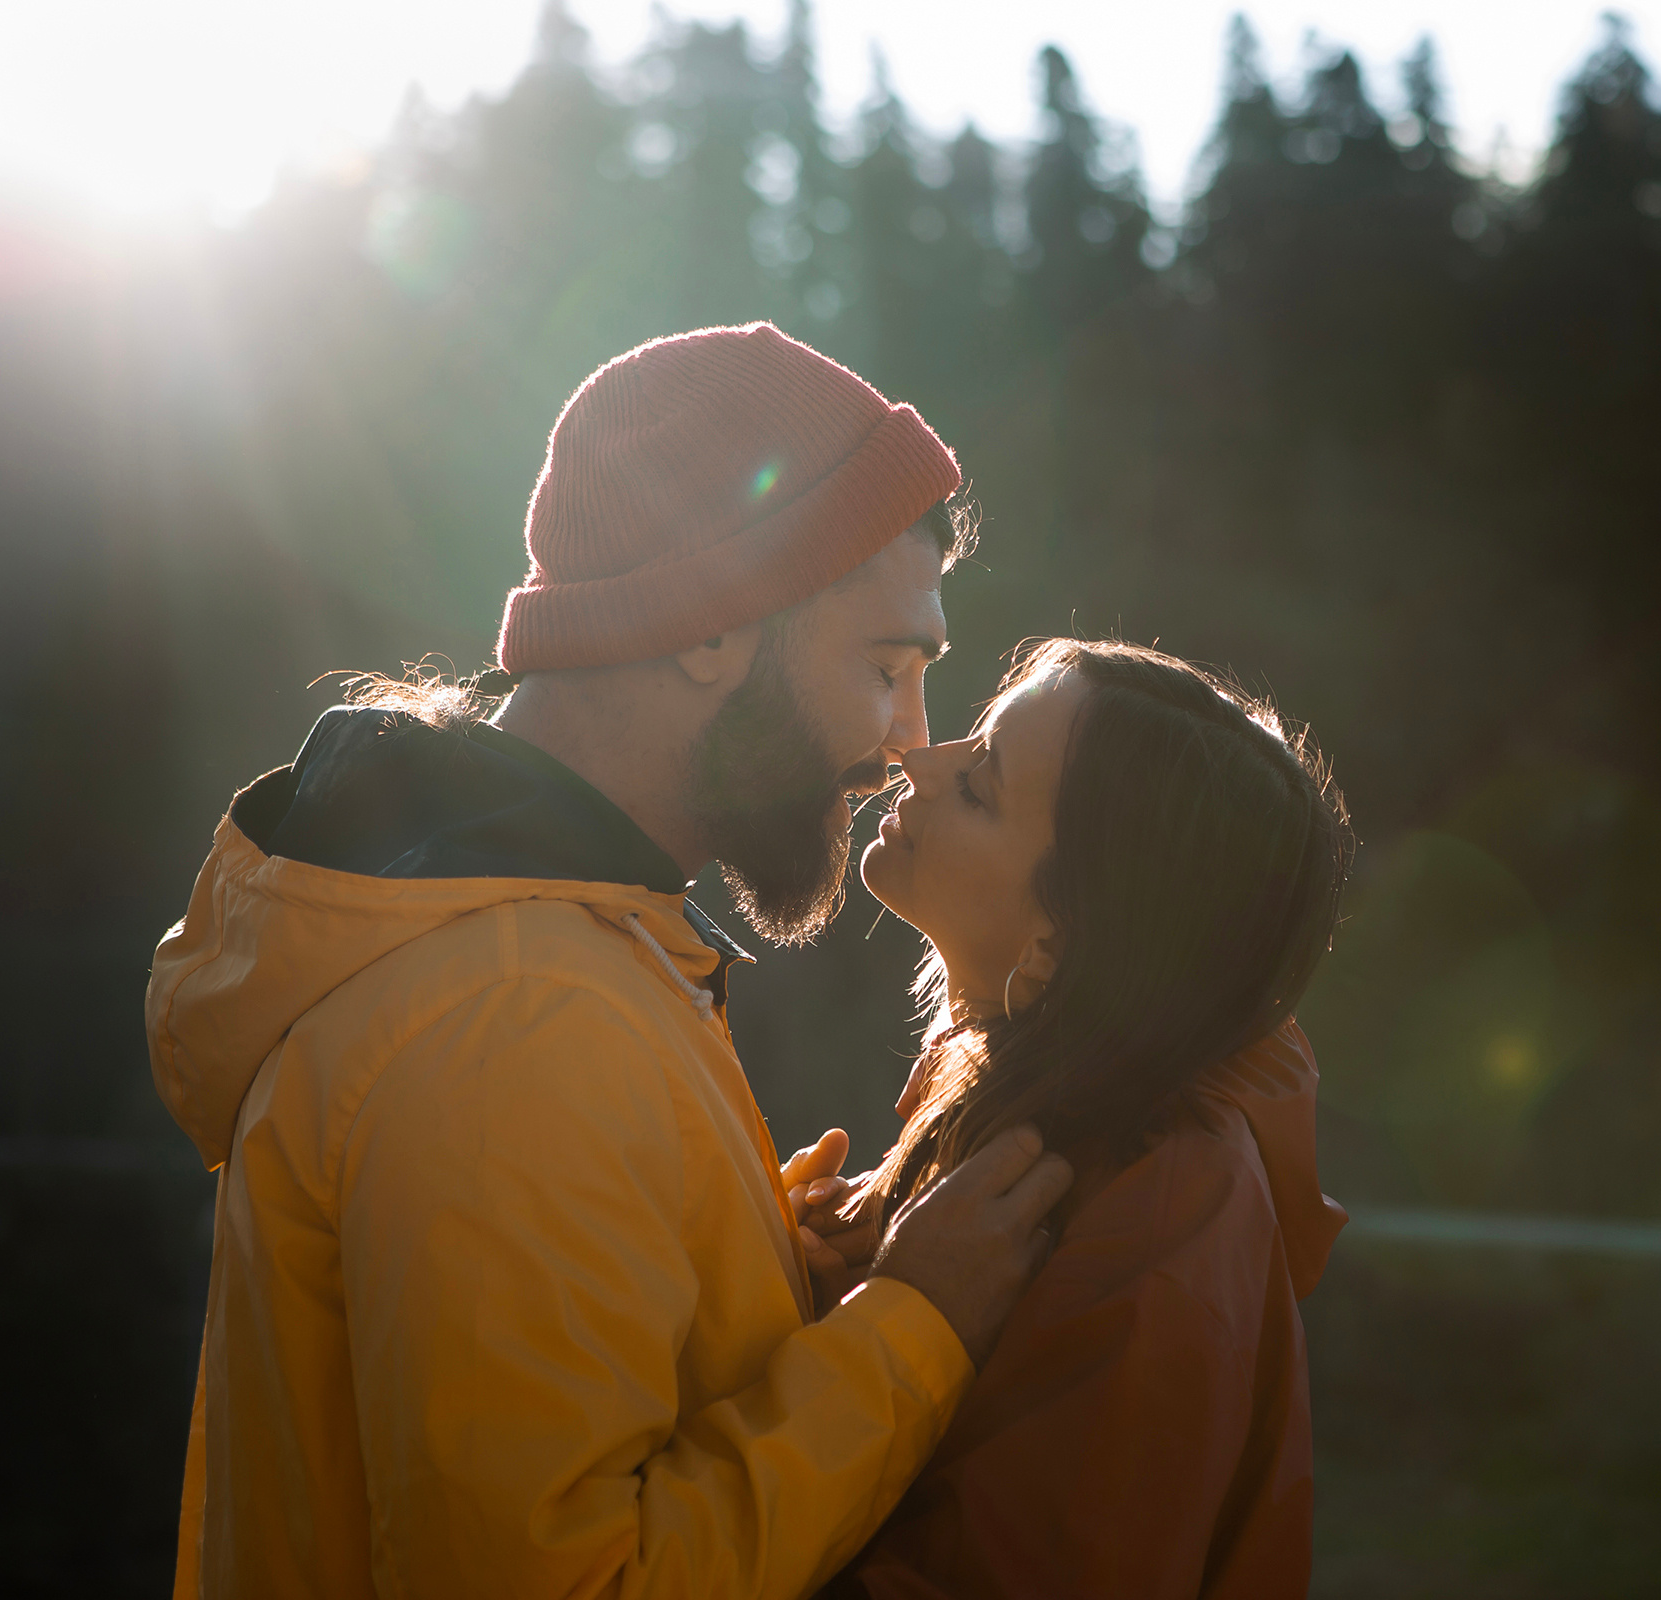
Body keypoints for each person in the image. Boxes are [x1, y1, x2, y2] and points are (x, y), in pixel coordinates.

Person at [144, 323, 1071, 1599]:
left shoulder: (552, 944)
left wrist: (751, 1282)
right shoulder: (515, 1019)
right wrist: (916, 1331)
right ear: (709, 629)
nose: (910, 741)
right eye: (887, 666)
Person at [794, 638, 1357, 1598]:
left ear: (1059, 943)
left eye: (979, 785)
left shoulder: (1165, 1213)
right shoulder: (1019, 1083)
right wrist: (809, 1286)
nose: (917, 760)